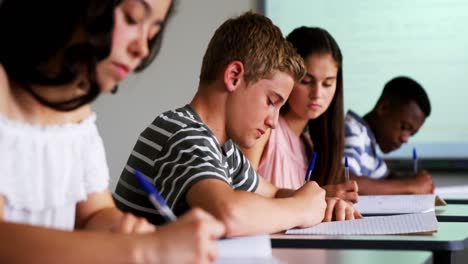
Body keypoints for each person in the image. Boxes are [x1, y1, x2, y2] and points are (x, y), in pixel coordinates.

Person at [0, 0, 224, 263]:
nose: (142, 48)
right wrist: (145, 250)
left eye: (152, 34)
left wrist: (123, 228)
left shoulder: (76, 112)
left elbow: (93, 214)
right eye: (132, 18)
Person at [115, 12, 360, 237]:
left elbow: (273, 193)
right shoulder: (183, 134)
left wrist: (319, 202)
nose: (274, 122)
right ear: (234, 76)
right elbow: (227, 213)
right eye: (271, 102)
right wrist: (300, 209)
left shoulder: (226, 150)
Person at [242, 26, 360, 206]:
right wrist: (308, 199)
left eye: (328, 84)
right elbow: (240, 195)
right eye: (306, 81)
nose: (317, 94)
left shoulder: (308, 145)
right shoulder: (263, 130)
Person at [344, 76, 433, 195]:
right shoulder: (352, 130)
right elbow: (345, 181)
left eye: (412, 134)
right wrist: (411, 185)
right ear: (384, 108)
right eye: (404, 128)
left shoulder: (369, 144)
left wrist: (417, 180)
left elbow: (385, 179)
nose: (405, 139)